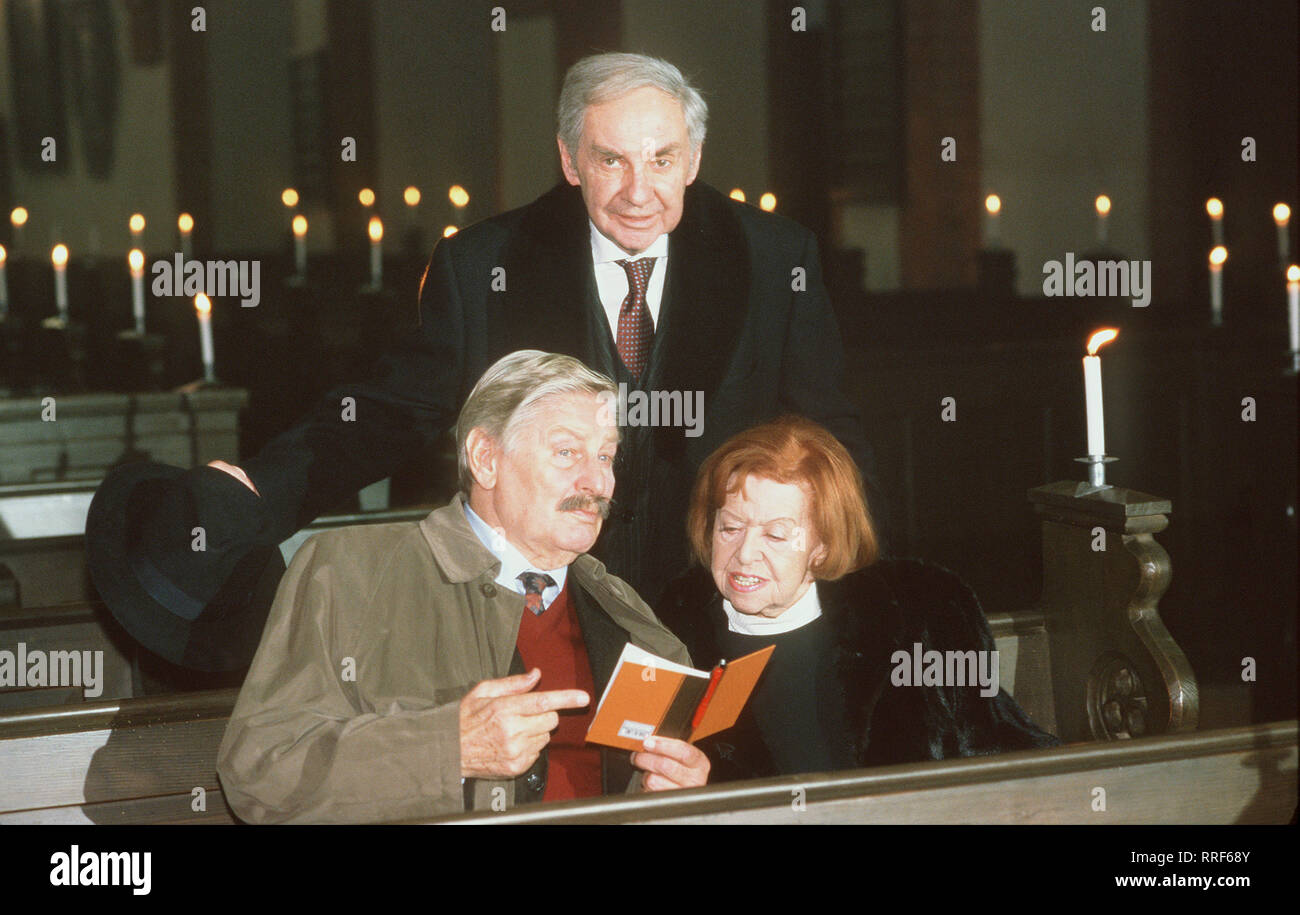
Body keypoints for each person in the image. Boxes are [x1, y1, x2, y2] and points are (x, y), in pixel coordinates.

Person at [203, 51, 877, 636]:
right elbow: (390, 409)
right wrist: (264, 486)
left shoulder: (772, 258)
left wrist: (856, 596)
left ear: (693, 159)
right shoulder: (485, 267)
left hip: (719, 607)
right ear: (570, 160)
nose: (638, 191)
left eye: (662, 159)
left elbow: (832, 438)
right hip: (541, 614)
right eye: (611, 160)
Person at [216, 351, 709, 823]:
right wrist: (448, 748)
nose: (598, 481)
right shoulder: (351, 572)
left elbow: (649, 792)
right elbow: (262, 774)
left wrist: (660, 796)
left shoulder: (634, 621)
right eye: (566, 452)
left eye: (606, 456)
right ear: (485, 458)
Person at [655, 415, 1058, 781]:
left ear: (823, 547)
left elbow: (1002, 749)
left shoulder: (919, 611)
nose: (743, 554)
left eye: (775, 535)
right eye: (730, 528)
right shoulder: (666, 636)